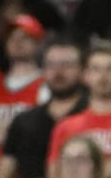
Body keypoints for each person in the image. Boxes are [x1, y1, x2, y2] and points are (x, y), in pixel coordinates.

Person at [0, 37, 87, 178]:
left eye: (67, 65)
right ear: (43, 70)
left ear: (83, 71)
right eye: (52, 65)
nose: (58, 72)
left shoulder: (94, 116)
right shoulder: (23, 121)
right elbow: (4, 170)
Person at [0, 16, 47, 172]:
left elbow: (41, 133)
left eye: (25, 37)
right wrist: (18, 135)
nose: (17, 42)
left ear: (38, 44)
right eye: (12, 37)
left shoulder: (45, 86)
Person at [47, 41, 111, 174]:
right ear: (85, 75)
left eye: (109, 69)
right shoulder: (65, 126)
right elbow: (54, 173)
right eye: (96, 69)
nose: (103, 76)